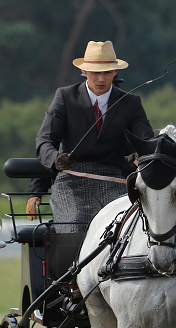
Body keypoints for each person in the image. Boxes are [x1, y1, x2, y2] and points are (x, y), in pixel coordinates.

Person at [27, 40, 154, 232]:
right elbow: (45, 140)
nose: (101, 79)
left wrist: (142, 154)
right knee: (75, 225)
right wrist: (54, 162)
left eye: (107, 73)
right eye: (96, 73)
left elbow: (146, 141)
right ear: (85, 72)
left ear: (115, 72)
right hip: (71, 179)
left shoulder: (131, 102)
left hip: (113, 179)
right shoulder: (65, 97)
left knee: (123, 228)